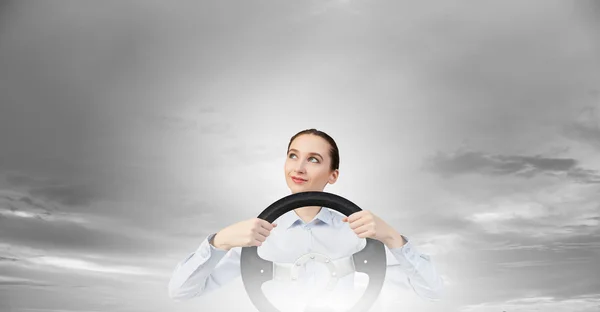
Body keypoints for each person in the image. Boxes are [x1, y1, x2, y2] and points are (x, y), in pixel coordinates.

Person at [168, 128, 444, 311]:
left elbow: (432, 291)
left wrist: (393, 238)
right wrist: (220, 241)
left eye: (313, 159)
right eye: (293, 156)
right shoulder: (257, 236)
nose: (298, 167)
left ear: (333, 175)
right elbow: (181, 292)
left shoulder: (357, 234)